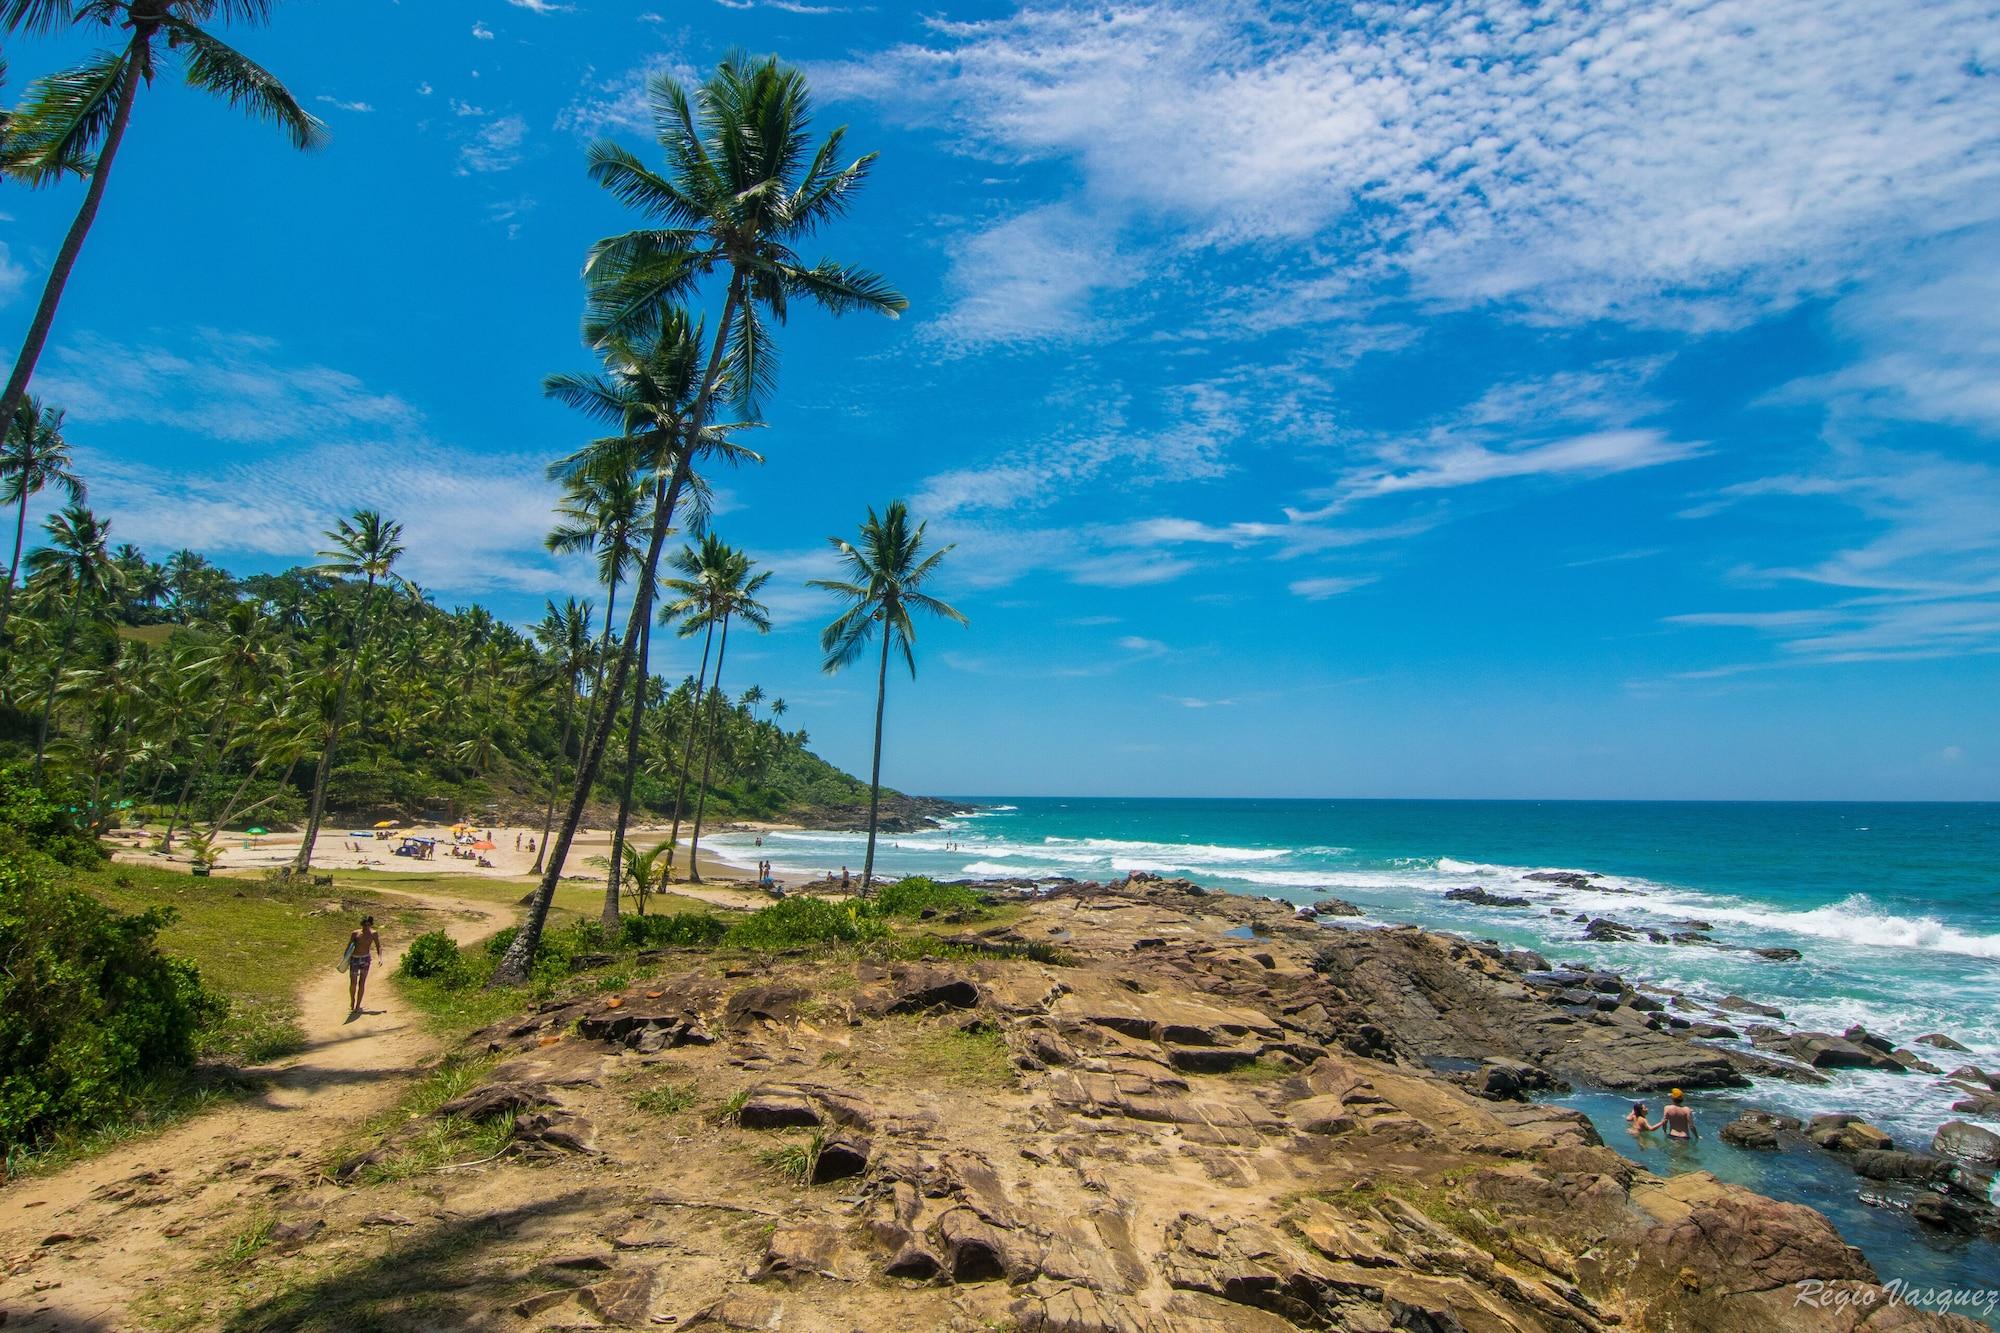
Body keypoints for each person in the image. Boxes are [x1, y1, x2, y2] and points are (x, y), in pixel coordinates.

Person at [345, 915, 383, 1015]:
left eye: (368, 925)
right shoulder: (355, 933)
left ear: (371, 925)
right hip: (354, 959)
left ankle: (358, 1005)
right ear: (361, 924)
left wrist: (380, 958)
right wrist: (344, 960)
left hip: (365, 959)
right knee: (353, 983)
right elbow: (349, 946)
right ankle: (352, 1000)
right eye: (364, 925)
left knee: (362, 982)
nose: (366, 927)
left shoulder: (374, 934)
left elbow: (378, 946)